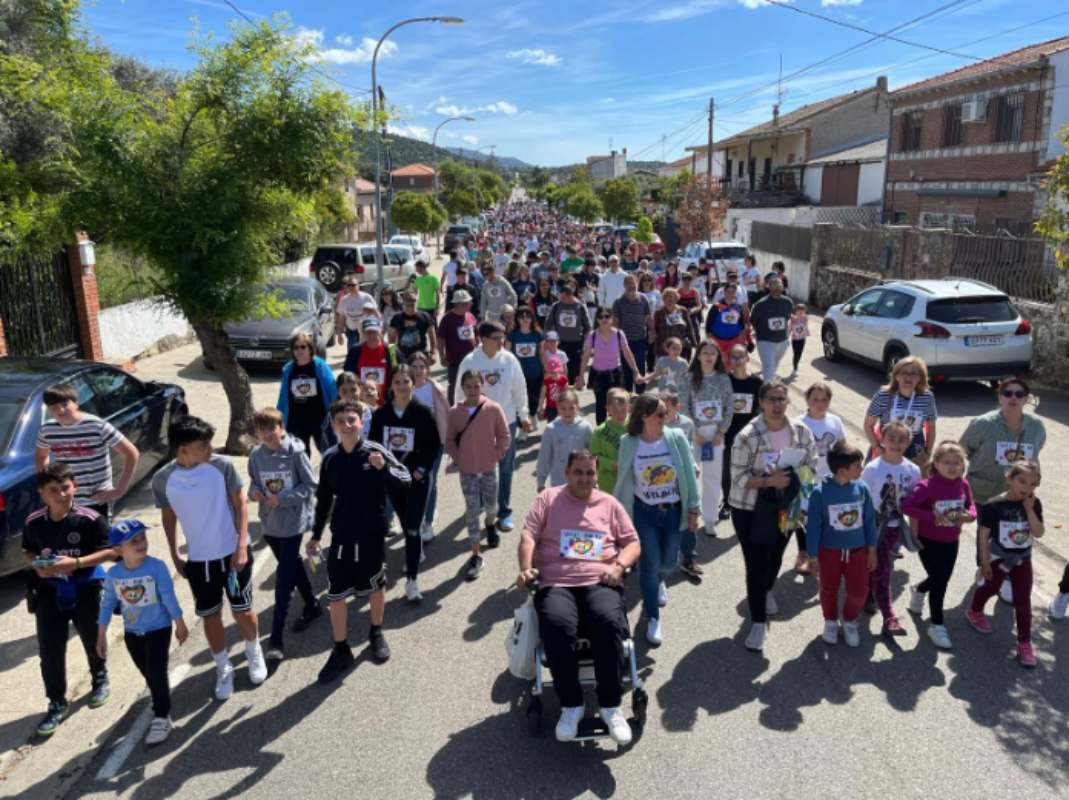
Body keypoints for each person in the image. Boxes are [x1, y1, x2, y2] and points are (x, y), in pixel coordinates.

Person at [517, 450, 640, 745]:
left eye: (590, 473)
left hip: (600, 579)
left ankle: (610, 705)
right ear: (567, 472)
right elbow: (528, 537)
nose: (584, 478)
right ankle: (572, 705)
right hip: (557, 582)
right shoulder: (548, 499)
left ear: (596, 475)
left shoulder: (608, 504)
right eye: (578, 472)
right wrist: (526, 569)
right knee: (557, 626)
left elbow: (632, 542)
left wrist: (619, 566)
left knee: (609, 621)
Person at [153, 415, 266, 700]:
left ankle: (253, 652)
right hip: (199, 561)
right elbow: (168, 517)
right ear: (183, 450)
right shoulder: (163, 479)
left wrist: (241, 546)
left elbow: (241, 505)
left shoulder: (222, 467)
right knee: (210, 615)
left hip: (232, 554)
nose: (210, 449)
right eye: (203, 445)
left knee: (242, 609)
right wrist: (174, 551)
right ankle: (222, 667)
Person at [310, 400, 411, 683]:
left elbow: (405, 478)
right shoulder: (329, 458)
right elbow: (323, 500)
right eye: (340, 420)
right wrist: (316, 535)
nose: (346, 424)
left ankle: (376, 631)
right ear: (333, 426)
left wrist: (385, 470)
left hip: (371, 533)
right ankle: (341, 649)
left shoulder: (376, 451)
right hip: (341, 535)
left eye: (351, 419)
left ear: (361, 421)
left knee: (375, 586)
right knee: (336, 594)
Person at [23, 464, 114, 738]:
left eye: (66, 487)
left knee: (91, 636)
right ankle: (56, 702)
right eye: (54, 490)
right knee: (49, 648)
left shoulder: (90, 519)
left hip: (85, 588)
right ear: (42, 494)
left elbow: (112, 551)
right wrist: (37, 565)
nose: (61, 494)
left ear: (74, 486)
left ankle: (99, 676)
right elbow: (27, 551)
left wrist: (76, 562)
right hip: (49, 592)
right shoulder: (35, 522)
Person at [729, 381, 818, 652]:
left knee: (776, 554)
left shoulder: (801, 432)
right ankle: (758, 623)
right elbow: (738, 476)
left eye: (782, 399)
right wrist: (770, 481)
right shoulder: (747, 436)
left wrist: (792, 480)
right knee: (756, 563)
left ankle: (767, 589)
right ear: (761, 402)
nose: (777, 405)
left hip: (786, 508)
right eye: (772, 399)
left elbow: (811, 465)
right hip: (750, 510)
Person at [613, 393, 701, 646]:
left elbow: (687, 473)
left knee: (669, 562)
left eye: (667, 413)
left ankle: (660, 580)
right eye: (661, 414)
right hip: (643, 514)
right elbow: (623, 482)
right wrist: (618, 516)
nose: (667, 418)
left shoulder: (675, 438)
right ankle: (653, 616)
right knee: (650, 565)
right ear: (644, 416)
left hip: (672, 511)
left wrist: (693, 509)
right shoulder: (628, 442)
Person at [96, 519, 188, 746]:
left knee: (156, 671)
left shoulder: (156, 567)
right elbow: (107, 604)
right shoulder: (114, 575)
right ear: (118, 550)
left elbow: (168, 596)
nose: (141, 543)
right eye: (133, 541)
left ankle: (162, 716)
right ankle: (159, 694)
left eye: (142, 538)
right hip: (132, 632)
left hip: (159, 629)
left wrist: (179, 622)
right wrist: (101, 635)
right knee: (146, 671)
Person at [247, 408, 321, 659]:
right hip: (269, 524)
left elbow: (310, 485)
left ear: (282, 428)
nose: (267, 434)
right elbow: (254, 482)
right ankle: (312, 605)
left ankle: (276, 639)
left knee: (284, 579)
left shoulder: (296, 453)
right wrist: (254, 492)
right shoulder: (256, 455)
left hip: (292, 523)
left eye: (272, 428)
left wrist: (284, 498)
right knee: (292, 566)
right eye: (261, 429)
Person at [370, 366, 442, 603]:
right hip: (392, 479)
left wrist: (421, 469)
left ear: (413, 384)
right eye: (397, 382)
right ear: (391, 386)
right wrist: (380, 466)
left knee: (412, 529)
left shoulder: (423, 412)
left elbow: (433, 445)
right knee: (404, 523)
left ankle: (412, 581)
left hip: (417, 479)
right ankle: (413, 551)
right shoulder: (381, 415)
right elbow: (373, 445)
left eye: (406, 381)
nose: (402, 386)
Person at [965, 460, 1043, 667]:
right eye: (1022, 481)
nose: (1027, 488)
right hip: (998, 557)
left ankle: (1024, 643)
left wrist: (1029, 510)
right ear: (1009, 479)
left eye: (1032, 484)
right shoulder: (994, 504)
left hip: (1022, 559)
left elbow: (1038, 532)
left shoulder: (1034, 503)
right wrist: (984, 561)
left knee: (1023, 599)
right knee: (990, 587)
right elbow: (983, 535)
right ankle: (974, 609)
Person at [458, 320, 533, 531]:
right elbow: (458, 393)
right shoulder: (470, 361)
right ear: (483, 339)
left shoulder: (509, 360)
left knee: (506, 467)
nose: (502, 341)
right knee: (481, 467)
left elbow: (520, 389)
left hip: (506, 421)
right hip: (478, 424)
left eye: (503, 337)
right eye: (497, 338)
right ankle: (483, 502)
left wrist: (523, 415)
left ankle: (504, 511)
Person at [901, 441, 976, 650]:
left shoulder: (963, 484)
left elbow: (971, 506)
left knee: (939, 578)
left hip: (952, 539)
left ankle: (919, 589)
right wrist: (930, 516)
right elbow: (907, 506)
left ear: (963, 465)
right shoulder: (927, 486)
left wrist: (969, 516)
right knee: (940, 582)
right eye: (946, 462)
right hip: (928, 540)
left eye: (956, 462)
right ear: (936, 464)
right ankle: (936, 624)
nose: (952, 467)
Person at [805, 442, 877, 648]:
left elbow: (870, 520)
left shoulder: (861, 488)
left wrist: (871, 550)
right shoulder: (820, 493)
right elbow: (814, 527)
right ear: (842, 470)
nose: (861, 470)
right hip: (830, 552)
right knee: (829, 588)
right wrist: (812, 556)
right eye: (857, 466)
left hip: (858, 551)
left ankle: (849, 620)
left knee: (859, 591)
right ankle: (830, 620)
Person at [36, 382, 140, 521]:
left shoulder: (97, 426)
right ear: (49, 409)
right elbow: (42, 456)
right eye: (54, 407)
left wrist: (119, 490)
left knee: (101, 541)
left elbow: (132, 453)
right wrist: (47, 488)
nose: (61, 410)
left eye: (65, 404)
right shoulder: (47, 430)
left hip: (97, 500)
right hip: (66, 500)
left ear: (76, 403)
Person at [445, 370, 511, 581]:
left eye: (476, 386)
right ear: (462, 388)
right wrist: (459, 458)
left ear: (482, 386)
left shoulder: (492, 408)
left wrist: (498, 453)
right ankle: (476, 553)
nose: (472, 391)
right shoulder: (455, 412)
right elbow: (449, 440)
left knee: (491, 507)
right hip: (468, 472)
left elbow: (504, 434)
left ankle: (490, 525)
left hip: (489, 468)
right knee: (472, 511)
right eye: (468, 387)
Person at [860, 421, 921, 636]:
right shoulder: (873, 468)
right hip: (873, 526)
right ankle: (883, 611)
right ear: (882, 439)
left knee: (882, 567)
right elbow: (861, 499)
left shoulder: (912, 470)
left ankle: (878, 604)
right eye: (891, 438)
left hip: (895, 526)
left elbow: (915, 503)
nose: (896, 443)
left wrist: (914, 531)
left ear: (908, 442)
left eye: (901, 439)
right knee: (879, 568)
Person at [678, 341, 735, 539]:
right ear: (699, 355)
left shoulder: (723, 379)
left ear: (718, 357)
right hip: (694, 433)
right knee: (690, 476)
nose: (709, 356)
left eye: (713, 353)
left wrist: (721, 432)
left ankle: (710, 519)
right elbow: (683, 406)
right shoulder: (688, 378)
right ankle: (688, 516)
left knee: (712, 477)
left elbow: (730, 407)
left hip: (716, 434)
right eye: (705, 353)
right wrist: (695, 432)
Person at [959, 378, 1046, 505]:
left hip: (1019, 494)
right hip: (984, 494)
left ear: (1026, 399)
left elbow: (1036, 450)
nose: (1013, 397)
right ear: (1000, 398)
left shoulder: (1036, 426)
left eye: (1019, 394)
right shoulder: (982, 423)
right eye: (1008, 393)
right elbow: (962, 450)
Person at [792, 382, 846, 573]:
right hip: (806, 477)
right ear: (807, 400)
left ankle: (821, 554)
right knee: (805, 517)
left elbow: (842, 448)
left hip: (829, 477)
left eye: (824, 399)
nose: (820, 403)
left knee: (825, 517)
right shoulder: (798, 423)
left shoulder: (835, 421)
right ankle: (803, 554)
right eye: (815, 399)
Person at [864, 356, 938, 469]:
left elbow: (931, 427)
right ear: (896, 376)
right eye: (904, 373)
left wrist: (928, 452)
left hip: (915, 451)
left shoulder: (927, 397)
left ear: (919, 378)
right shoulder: (883, 395)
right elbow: (868, 425)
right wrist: (877, 447)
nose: (908, 377)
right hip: (886, 448)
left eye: (913, 373)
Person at [407, 352, 449, 543]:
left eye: (421, 367)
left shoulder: (436, 389)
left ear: (427, 369)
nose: (418, 371)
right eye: (414, 367)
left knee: (429, 481)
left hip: (433, 443)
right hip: (410, 446)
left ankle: (428, 521)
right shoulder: (403, 388)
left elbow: (446, 415)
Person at [576, 307, 643, 424]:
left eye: (607, 316)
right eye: (600, 316)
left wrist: (635, 371)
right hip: (598, 376)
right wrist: (581, 376)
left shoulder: (619, 334)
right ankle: (601, 434)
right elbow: (585, 356)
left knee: (617, 405)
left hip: (615, 374)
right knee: (601, 406)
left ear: (612, 318)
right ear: (597, 319)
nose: (604, 319)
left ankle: (617, 432)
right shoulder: (593, 335)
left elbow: (627, 353)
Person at [278, 332, 337, 456]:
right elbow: (283, 396)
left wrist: (336, 410)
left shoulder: (321, 366)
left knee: (328, 452)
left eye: (303, 347)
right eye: (296, 347)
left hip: (320, 418)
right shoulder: (288, 369)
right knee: (300, 454)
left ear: (310, 348)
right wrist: (280, 417)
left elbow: (332, 389)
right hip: (296, 419)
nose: (299, 350)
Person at [536, 389, 593, 491]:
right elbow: (544, 456)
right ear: (557, 408)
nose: (567, 412)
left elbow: (593, 454)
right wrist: (541, 481)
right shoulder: (551, 429)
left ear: (578, 407)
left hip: (582, 480)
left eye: (571, 408)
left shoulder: (586, 428)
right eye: (563, 408)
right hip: (559, 482)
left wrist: (594, 479)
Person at [343, 317, 401, 407]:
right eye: (368, 332)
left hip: (387, 403)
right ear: (363, 334)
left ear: (381, 332)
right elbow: (348, 376)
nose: (372, 336)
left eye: (375, 332)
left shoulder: (392, 350)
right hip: (362, 403)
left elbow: (400, 374)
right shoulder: (355, 351)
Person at [612, 274, 654, 392]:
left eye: (633, 283)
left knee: (641, 367)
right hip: (624, 342)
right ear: (624, 286)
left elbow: (648, 317)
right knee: (626, 369)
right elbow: (615, 322)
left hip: (640, 339)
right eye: (629, 284)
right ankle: (628, 394)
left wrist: (653, 331)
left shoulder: (643, 299)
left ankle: (641, 395)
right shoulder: (618, 302)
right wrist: (615, 341)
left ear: (637, 283)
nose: (631, 286)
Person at [437, 290, 479, 404]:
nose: (471, 304)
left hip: (472, 359)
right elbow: (440, 339)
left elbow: (476, 333)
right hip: (455, 361)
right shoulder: (447, 318)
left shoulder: (470, 316)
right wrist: (441, 356)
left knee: (473, 384)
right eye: (468, 303)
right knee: (455, 385)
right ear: (459, 304)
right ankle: (453, 408)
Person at [546, 283, 592, 385]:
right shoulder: (556, 306)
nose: (561, 299)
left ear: (570, 295)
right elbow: (548, 325)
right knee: (560, 372)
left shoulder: (580, 307)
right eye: (560, 297)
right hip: (560, 345)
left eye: (563, 297)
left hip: (576, 344)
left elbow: (588, 327)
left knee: (574, 372)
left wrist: (585, 344)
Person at [749, 277, 793, 382]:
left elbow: (788, 318)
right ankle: (767, 392)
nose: (777, 290)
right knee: (769, 369)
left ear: (782, 288)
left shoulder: (788, 302)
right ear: (769, 288)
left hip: (782, 341)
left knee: (772, 368)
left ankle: (766, 388)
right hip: (765, 341)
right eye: (774, 288)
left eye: (779, 287)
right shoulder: (761, 304)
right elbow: (753, 321)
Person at [507, 307, 544, 426]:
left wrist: (546, 369)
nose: (525, 319)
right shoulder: (512, 334)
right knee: (520, 400)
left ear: (532, 318)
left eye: (527, 316)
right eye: (521, 317)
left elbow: (542, 354)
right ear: (517, 319)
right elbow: (507, 354)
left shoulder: (538, 334)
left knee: (534, 398)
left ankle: (532, 415)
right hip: (517, 374)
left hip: (535, 372)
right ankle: (523, 428)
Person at [591, 388, 630, 491]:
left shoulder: (635, 428)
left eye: (623, 410)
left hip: (631, 483)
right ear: (607, 409)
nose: (619, 414)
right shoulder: (599, 431)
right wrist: (610, 464)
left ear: (629, 407)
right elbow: (592, 457)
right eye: (615, 411)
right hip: (608, 484)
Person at [706, 283, 749, 363]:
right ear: (724, 292)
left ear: (735, 293)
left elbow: (742, 324)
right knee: (718, 362)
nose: (730, 294)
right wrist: (709, 337)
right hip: (717, 340)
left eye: (733, 292)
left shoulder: (738, 307)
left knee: (732, 362)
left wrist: (743, 339)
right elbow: (709, 322)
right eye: (728, 292)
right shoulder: (716, 306)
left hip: (733, 340)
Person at [389, 293, 437, 360]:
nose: (411, 302)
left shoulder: (425, 316)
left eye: (413, 300)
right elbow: (391, 339)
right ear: (404, 301)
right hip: (403, 355)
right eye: (408, 300)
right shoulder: (396, 318)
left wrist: (433, 353)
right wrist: (392, 358)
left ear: (417, 301)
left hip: (421, 354)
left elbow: (432, 336)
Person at [653, 287, 696, 361]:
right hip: (664, 348)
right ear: (663, 299)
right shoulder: (659, 313)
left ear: (676, 298)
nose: (670, 299)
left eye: (672, 296)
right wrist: (657, 346)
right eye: (667, 297)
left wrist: (694, 343)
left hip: (681, 347)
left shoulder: (683, 311)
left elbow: (689, 328)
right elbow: (655, 330)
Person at [335, 277, 377, 348]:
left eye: (353, 285)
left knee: (365, 351)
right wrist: (339, 334)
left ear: (358, 285)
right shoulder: (344, 300)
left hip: (365, 330)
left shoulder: (367, 297)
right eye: (349, 285)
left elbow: (376, 313)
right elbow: (341, 317)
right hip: (352, 330)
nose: (351, 287)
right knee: (353, 350)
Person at [789, 303, 808, 377]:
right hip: (795, 339)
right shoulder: (792, 319)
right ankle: (795, 368)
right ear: (795, 311)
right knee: (796, 354)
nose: (800, 313)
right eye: (799, 311)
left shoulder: (805, 318)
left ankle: (796, 366)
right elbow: (789, 328)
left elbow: (805, 325)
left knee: (799, 354)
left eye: (802, 311)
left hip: (802, 339)